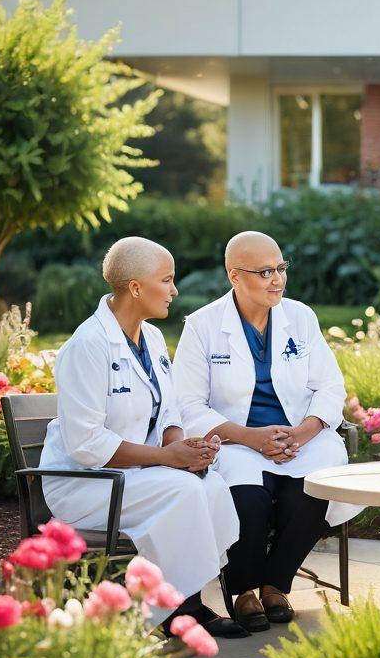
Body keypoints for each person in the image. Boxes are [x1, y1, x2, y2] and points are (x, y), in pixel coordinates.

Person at [40, 237, 246, 637]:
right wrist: (168, 458)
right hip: (85, 483)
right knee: (183, 491)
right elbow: (86, 445)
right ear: (135, 287)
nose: (175, 291)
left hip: (134, 473)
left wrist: (182, 447)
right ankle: (180, 612)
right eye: (167, 280)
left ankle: (185, 601)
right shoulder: (87, 346)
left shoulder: (150, 338)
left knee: (211, 484)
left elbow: (168, 409)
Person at [173, 231, 359, 632]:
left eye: (280, 268)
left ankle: (276, 584)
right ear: (234, 276)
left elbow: (330, 386)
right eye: (265, 272)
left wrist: (305, 432)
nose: (278, 279)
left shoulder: (301, 317)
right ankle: (243, 591)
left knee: (318, 478)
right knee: (249, 499)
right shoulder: (203, 326)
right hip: (235, 439)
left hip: (298, 437)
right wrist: (248, 436)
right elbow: (188, 404)